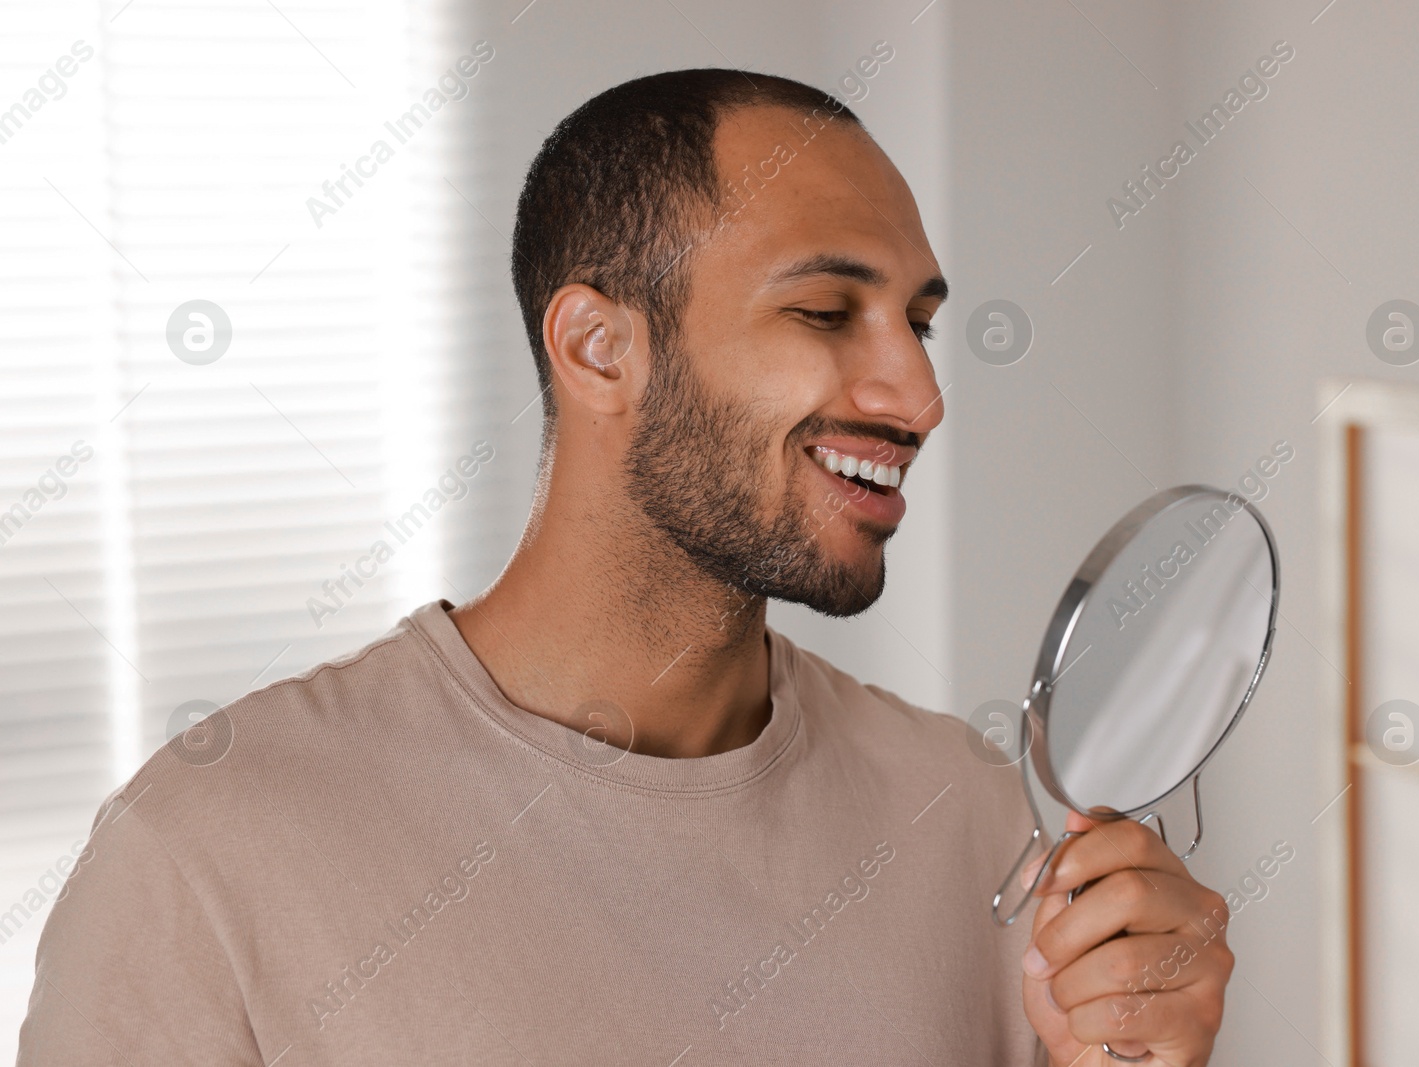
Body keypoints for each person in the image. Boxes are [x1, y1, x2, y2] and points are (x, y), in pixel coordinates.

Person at [18, 69, 1232, 1065]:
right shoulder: (205, 855)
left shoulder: (973, 825)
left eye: (916, 323)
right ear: (599, 347)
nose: (916, 394)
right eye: (824, 312)